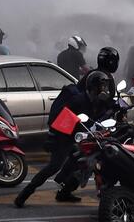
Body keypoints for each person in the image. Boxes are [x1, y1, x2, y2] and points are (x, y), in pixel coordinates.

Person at [14, 71, 114, 207]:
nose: (105, 89)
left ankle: (65, 192)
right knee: (53, 167)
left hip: (78, 138)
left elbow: (99, 116)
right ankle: (24, 194)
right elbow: (64, 119)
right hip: (64, 138)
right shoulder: (78, 100)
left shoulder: (95, 101)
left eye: (105, 86)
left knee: (84, 163)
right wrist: (54, 137)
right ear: (94, 87)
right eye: (102, 86)